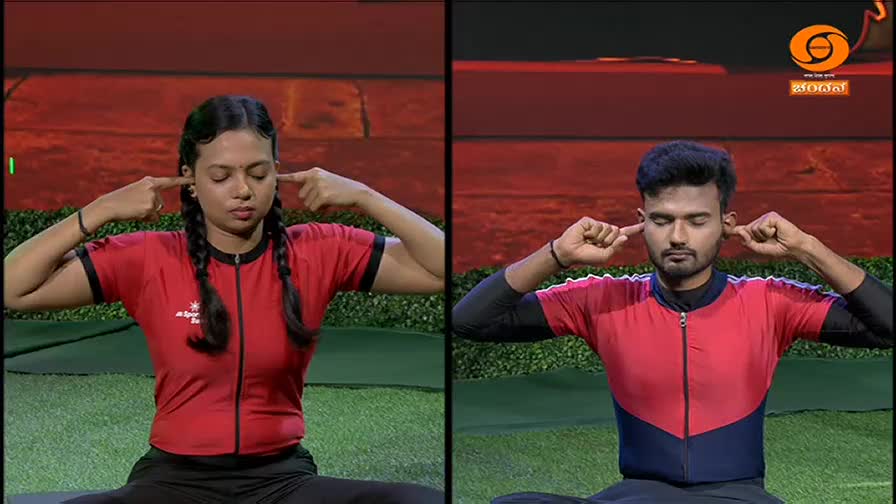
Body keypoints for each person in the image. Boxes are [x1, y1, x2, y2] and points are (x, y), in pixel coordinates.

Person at [4, 95, 445, 503]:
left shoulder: (320, 249)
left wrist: (364, 197)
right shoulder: (148, 258)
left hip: (281, 480)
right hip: (175, 482)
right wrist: (101, 208)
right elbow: (14, 287)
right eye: (221, 175)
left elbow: (441, 269)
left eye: (258, 173)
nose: (243, 190)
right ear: (190, 180)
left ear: (277, 172)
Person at [452, 140, 892, 504]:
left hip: (738, 498)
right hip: (637, 495)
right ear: (642, 223)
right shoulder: (601, 299)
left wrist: (808, 248)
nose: (678, 236)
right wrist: (558, 254)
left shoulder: (769, 301)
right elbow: (471, 321)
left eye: (697, 220)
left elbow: (887, 326)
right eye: (662, 220)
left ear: (726, 224)